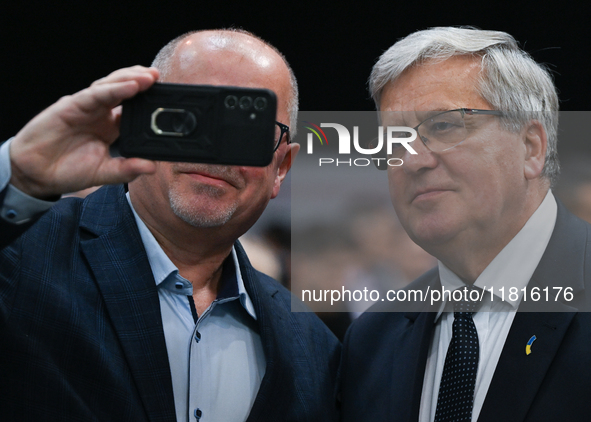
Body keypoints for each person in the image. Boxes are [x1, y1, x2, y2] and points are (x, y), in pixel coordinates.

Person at [0, 29, 340, 422]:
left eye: (249, 126)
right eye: (192, 116)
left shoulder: (315, 349)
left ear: (280, 168)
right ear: (142, 123)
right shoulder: (23, 256)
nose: (217, 149)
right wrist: (19, 170)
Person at [339, 27, 591, 422]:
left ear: (531, 147)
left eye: (444, 126)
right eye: (393, 141)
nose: (412, 160)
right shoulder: (372, 340)